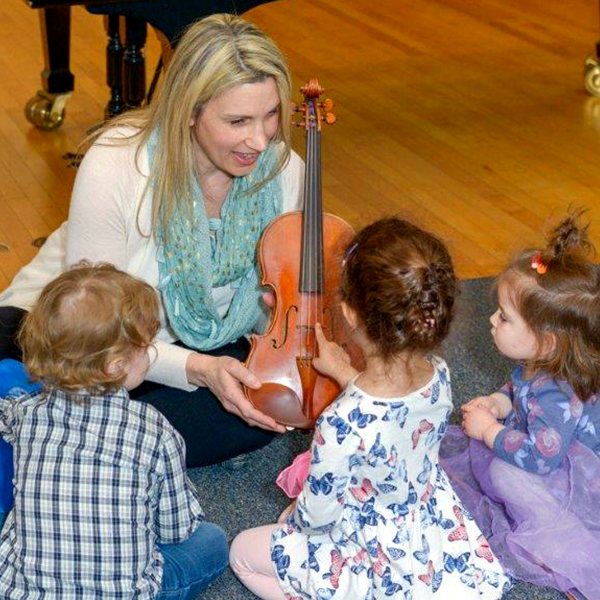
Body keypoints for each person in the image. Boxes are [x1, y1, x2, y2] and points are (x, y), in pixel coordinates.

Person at [0, 13, 304, 467]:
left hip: (197, 350)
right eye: (238, 120)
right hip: (85, 341)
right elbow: (92, 327)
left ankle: (63, 439)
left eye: (271, 114)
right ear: (189, 111)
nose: (259, 141)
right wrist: (198, 369)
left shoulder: (286, 169)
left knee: (263, 405)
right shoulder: (116, 162)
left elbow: (275, 310)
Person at [229, 217, 512, 600]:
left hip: (366, 550)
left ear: (349, 312)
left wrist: (292, 517)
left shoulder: (340, 423)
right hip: (425, 531)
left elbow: (317, 516)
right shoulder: (439, 375)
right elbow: (386, 413)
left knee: (243, 552)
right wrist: (345, 373)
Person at [0, 262, 228, 599]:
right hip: (121, 592)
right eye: (145, 347)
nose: (150, 353)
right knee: (212, 542)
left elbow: (8, 411)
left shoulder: (27, 414)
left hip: (24, 592)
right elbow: (176, 528)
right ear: (115, 366)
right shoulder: (155, 432)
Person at [440, 211, 600, 600]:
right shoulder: (541, 364)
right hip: (553, 444)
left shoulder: (555, 392)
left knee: (504, 474)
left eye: (504, 317)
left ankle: (564, 545)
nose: (492, 320)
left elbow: (541, 457)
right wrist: (497, 403)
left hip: (582, 474)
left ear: (547, 342)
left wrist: (489, 431)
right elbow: (517, 390)